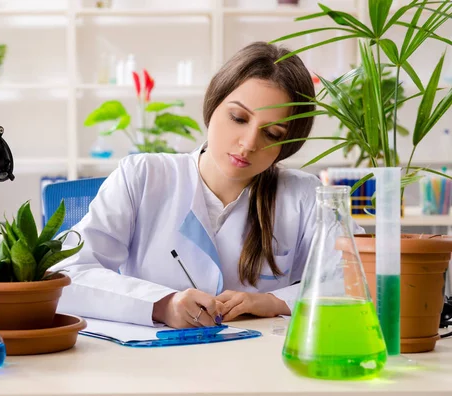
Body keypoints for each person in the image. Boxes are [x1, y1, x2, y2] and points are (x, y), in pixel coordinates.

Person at [57, 41, 362, 329]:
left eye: (273, 133)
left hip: (261, 368)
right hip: (154, 368)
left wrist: (276, 301)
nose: (248, 144)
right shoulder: (143, 175)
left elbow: (360, 280)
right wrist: (161, 305)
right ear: (214, 104)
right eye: (238, 118)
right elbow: (65, 274)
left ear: (288, 144)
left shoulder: (306, 196)